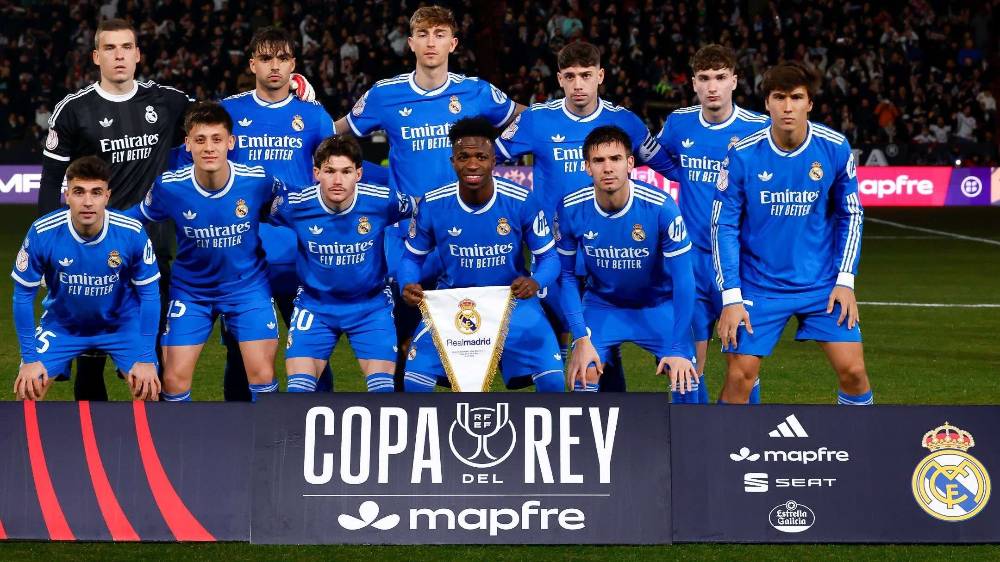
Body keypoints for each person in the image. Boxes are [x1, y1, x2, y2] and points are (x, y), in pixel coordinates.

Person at [39, 18, 314, 401]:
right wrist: (48, 249)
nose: (119, 56)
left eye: (126, 47)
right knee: (91, 361)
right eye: (110, 48)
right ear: (96, 56)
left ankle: (154, 433)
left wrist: (288, 96)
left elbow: (216, 117)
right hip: (94, 251)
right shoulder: (73, 110)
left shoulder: (166, 102)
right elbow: (51, 181)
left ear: (138, 54)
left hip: (156, 254)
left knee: (150, 363)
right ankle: (95, 435)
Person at [334, 5, 523, 383]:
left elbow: (526, 118)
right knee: (400, 327)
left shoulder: (475, 91)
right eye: (423, 35)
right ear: (411, 43)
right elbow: (337, 132)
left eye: (439, 35)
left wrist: (499, 152)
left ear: (453, 43)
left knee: (466, 332)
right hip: (406, 234)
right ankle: (399, 404)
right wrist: (302, 116)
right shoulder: (385, 95)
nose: (431, 42)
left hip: (463, 234)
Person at [494, 41, 678, 392]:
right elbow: (489, 159)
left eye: (586, 75)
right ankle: (559, 407)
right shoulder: (536, 119)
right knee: (556, 333)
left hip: (608, 251)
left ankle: (607, 407)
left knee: (599, 332)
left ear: (600, 76)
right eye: (570, 76)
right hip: (553, 250)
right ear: (559, 79)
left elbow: (667, 167)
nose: (578, 84)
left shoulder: (624, 121)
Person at [712, 62, 871, 406]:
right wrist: (731, 297)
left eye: (796, 98)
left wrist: (845, 280)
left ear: (809, 103)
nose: (787, 107)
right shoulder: (742, 153)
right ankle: (725, 442)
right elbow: (723, 225)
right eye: (779, 97)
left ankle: (860, 440)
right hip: (759, 286)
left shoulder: (834, 147)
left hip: (821, 286)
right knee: (740, 376)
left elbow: (851, 214)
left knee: (854, 372)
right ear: (766, 103)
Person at [125, 102, 281, 401]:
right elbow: (135, 216)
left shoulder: (257, 180)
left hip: (247, 289)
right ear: (188, 144)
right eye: (200, 140)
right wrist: (92, 224)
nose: (209, 148)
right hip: (191, 292)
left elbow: (296, 205)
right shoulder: (169, 187)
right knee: (173, 380)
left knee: (262, 373)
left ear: (230, 142)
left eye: (216, 139)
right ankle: (180, 434)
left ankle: (267, 433)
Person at [399, 117, 564, 392]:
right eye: (464, 157)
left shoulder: (521, 200)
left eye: (481, 157)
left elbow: (550, 259)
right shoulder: (433, 203)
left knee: (553, 380)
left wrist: (535, 282)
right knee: (414, 381)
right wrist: (407, 282)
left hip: (513, 302)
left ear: (493, 160)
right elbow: (411, 258)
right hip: (452, 302)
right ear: (453, 161)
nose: (473, 165)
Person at [655, 44, 769, 404]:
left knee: (743, 366)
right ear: (694, 83)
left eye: (720, 77)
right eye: (704, 78)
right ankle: (690, 434)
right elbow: (657, 157)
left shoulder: (758, 128)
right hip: (689, 261)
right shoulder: (679, 123)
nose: (712, 86)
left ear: (734, 80)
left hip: (739, 263)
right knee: (686, 363)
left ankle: (741, 435)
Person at [558, 126, 698, 397]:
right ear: (587, 167)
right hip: (602, 305)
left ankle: (690, 425)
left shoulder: (661, 207)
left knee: (685, 376)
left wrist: (679, 347)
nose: (608, 168)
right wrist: (581, 338)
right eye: (599, 160)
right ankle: (593, 428)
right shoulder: (570, 208)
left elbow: (684, 280)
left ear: (630, 163)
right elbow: (566, 277)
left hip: (657, 305)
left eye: (616, 159)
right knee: (583, 373)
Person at [270, 135, 414, 392]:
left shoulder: (382, 200)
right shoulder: (294, 205)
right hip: (315, 307)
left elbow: (426, 210)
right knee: (298, 391)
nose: (337, 180)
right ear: (316, 173)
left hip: (371, 307)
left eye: (346, 171)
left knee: (383, 391)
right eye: (330, 171)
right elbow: (250, 211)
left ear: (359, 174)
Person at [12, 156, 161, 401]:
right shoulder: (43, 231)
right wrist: (29, 359)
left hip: (121, 326)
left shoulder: (131, 231)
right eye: (79, 192)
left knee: (148, 390)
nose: (88, 202)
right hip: (62, 327)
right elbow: (23, 295)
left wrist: (146, 357)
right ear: (67, 195)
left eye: (96, 192)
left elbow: (150, 294)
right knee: (28, 390)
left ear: (107, 196)